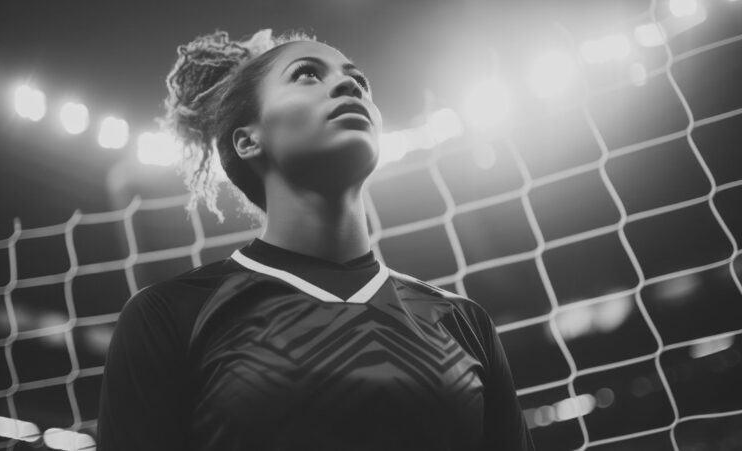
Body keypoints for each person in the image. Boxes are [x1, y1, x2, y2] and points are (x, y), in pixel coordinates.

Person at [96, 28, 536, 451]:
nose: (349, 85)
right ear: (248, 141)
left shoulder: (464, 322)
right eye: (307, 74)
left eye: (359, 79)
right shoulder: (171, 315)